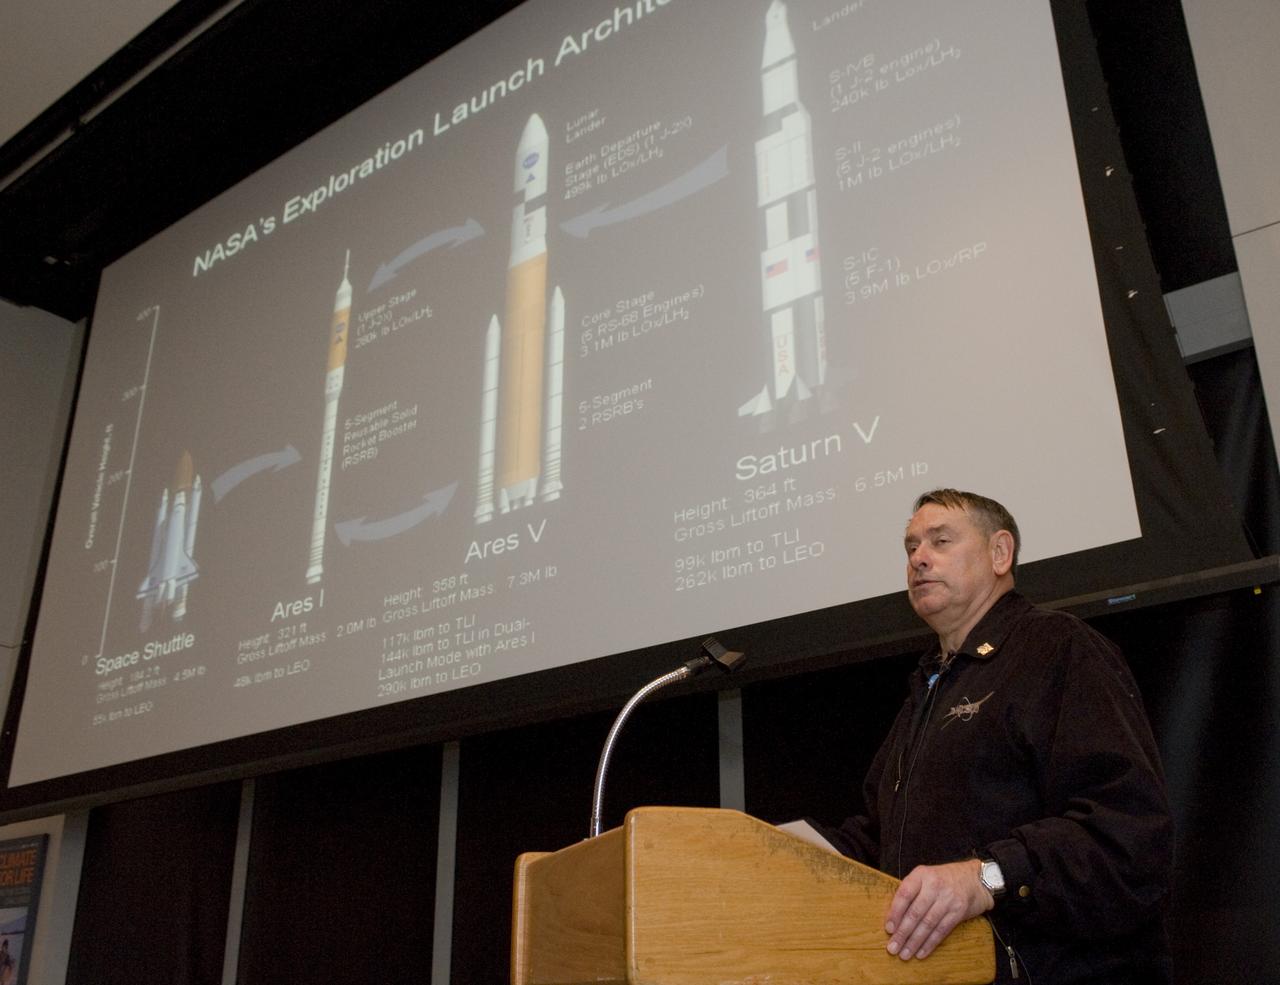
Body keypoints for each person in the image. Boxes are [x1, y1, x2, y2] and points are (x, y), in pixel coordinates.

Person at [816, 489, 1172, 983]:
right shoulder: (929, 686)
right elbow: (881, 840)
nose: (919, 558)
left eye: (940, 541)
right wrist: (786, 855)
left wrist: (985, 876)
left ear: (1000, 553)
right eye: (911, 547)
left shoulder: (1059, 649)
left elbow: (1125, 832)